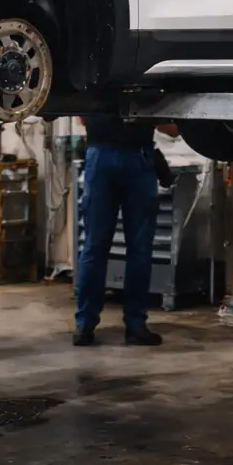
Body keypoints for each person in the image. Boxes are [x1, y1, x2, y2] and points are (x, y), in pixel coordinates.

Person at [73, 114, 175, 347]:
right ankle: (135, 325)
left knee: (94, 247)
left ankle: (85, 326)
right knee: (138, 249)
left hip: (101, 156)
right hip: (136, 157)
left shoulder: (92, 77)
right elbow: (172, 129)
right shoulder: (148, 77)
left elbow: (82, 117)